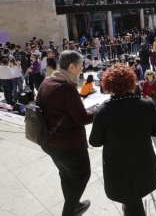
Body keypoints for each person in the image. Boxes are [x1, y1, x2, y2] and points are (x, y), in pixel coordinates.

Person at [89, 64, 156, 216]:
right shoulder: (147, 105)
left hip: (119, 169)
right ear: (131, 82)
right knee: (134, 202)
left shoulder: (103, 110)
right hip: (143, 164)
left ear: (109, 86)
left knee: (131, 204)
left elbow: (94, 141)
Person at [37, 50, 95, 216]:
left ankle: (74, 204)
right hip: (68, 145)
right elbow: (82, 118)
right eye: (80, 66)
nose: (82, 70)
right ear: (71, 67)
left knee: (66, 174)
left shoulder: (48, 81)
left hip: (49, 141)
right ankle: (69, 211)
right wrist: (100, 110)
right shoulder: (67, 89)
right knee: (82, 175)